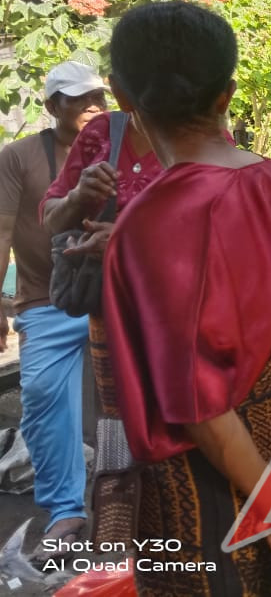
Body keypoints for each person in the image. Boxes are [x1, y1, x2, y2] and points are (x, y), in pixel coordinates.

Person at [98, 1, 271, 595]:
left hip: (201, 488)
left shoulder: (146, 226)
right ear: (227, 94)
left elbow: (201, 409)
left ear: (121, 96)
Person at [41, 60, 164, 552]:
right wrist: (77, 196)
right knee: (117, 429)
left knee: (175, 429)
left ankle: (169, 538)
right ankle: (120, 543)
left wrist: (132, 242)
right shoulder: (101, 134)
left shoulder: (201, 141)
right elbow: (52, 217)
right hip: (110, 319)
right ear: (124, 90)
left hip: (171, 321)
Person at [0, 62, 106, 547]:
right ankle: (66, 510)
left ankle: (132, 497)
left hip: (113, 297)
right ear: (52, 106)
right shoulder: (20, 157)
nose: (90, 105)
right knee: (43, 400)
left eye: (97, 96)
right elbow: (2, 230)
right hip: (47, 300)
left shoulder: (120, 147)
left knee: (138, 399)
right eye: (77, 97)